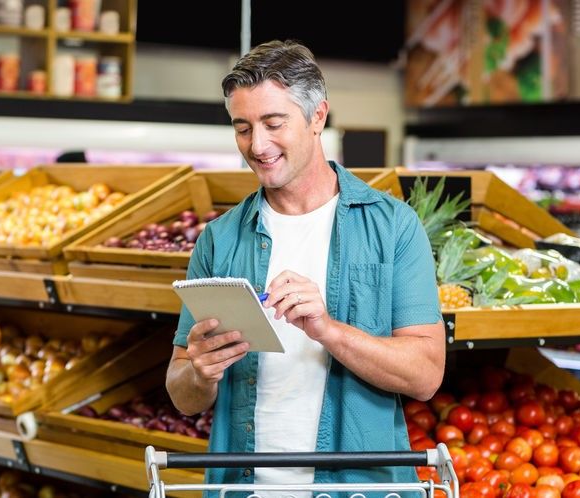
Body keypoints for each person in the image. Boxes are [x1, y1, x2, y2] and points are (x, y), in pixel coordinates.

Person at [165, 40, 446, 495]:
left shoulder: (393, 226)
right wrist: (200, 371)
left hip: (359, 488)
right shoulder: (219, 239)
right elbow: (182, 393)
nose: (257, 145)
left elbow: (426, 375)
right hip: (243, 488)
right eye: (242, 128)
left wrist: (327, 329)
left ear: (318, 117)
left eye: (274, 123)